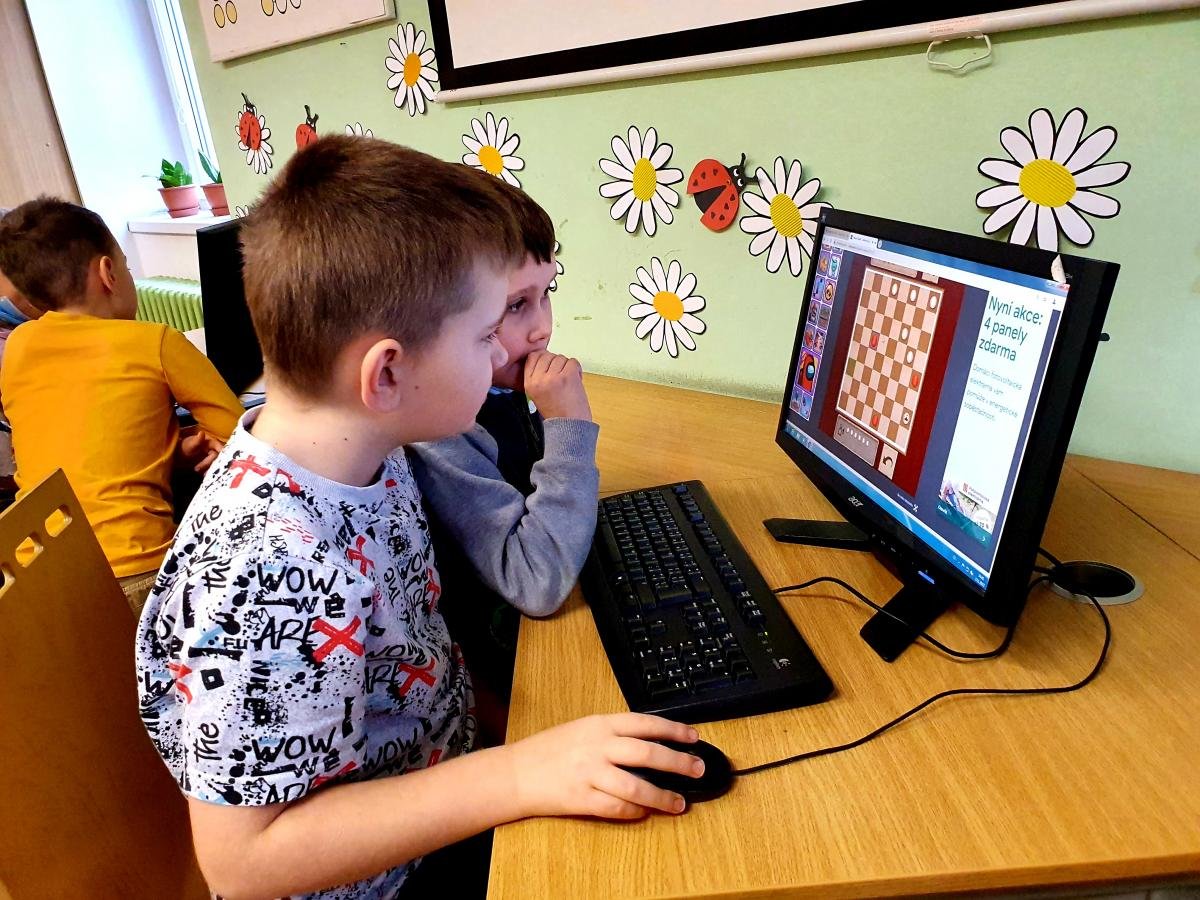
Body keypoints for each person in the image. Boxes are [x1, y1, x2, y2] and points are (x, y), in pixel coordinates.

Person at [134, 135, 705, 900]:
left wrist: (510, 739)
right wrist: (517, 775)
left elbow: (413, 649)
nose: (501, 353)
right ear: (388, 373)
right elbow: (244, 865)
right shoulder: (267, 569)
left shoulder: (371, 448)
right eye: (484, 334)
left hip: (443, 774)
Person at [408, 179, 596, 738]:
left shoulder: (498, 390)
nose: (543, 327)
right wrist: (569, 427)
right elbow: (536, 582)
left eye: (546, 293)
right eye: (515, 305)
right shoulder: (442, 430)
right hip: (489, 679)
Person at [0, 199, 242, 612]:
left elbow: (81, 441)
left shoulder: (19, 346)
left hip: (39, 576)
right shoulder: (155, 342)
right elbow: (239, 436)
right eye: (127, 266)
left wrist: (170, 451)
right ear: (108, 273)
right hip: (139, 572)